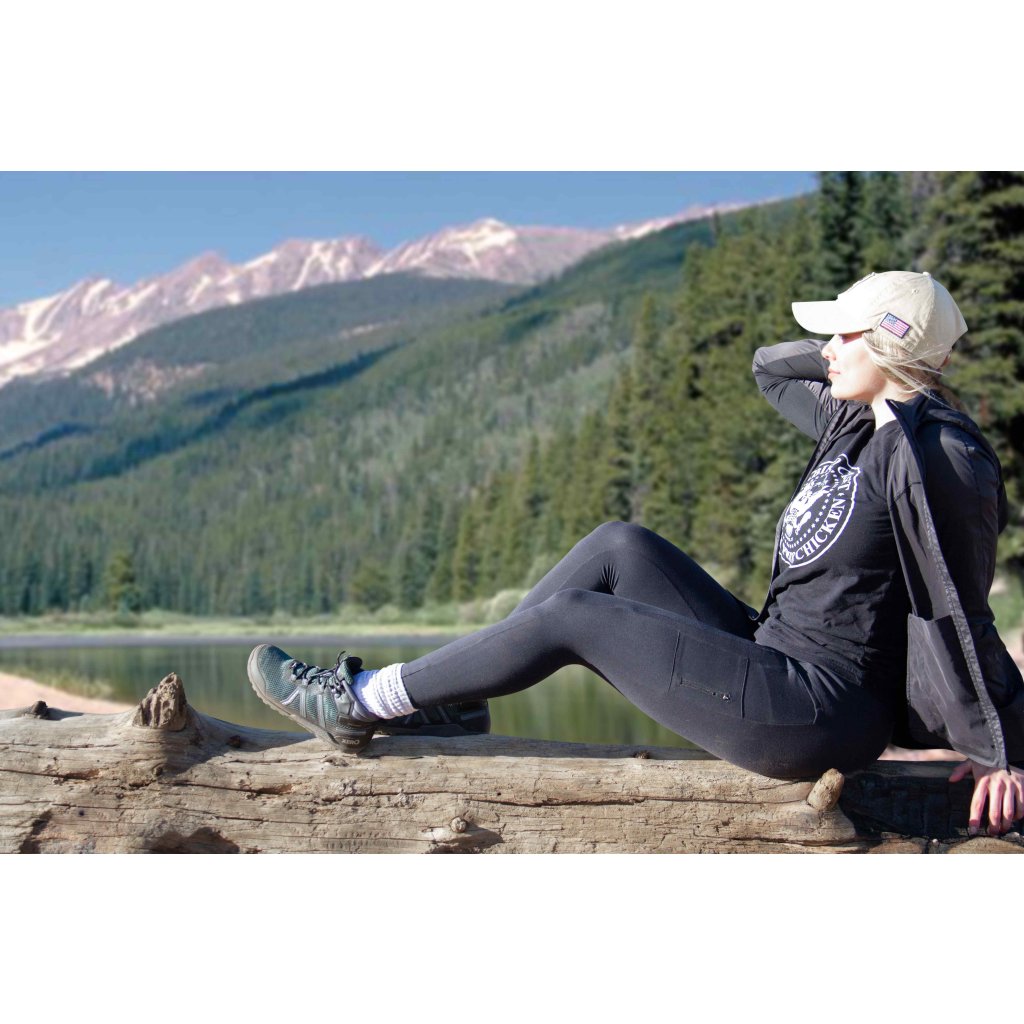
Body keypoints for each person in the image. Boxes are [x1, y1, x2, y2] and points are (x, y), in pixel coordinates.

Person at [247, 270, 1024, 836]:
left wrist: (999, 749)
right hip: (776, 652)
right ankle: (452, 703)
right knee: (619, 546)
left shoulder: (940, 456)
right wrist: (857, 358)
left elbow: (956, 606)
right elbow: (767, 365)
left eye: (845, 334)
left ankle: (362, 702)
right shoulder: (853, 423)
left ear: (891, 341)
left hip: (820, 710)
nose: (827, 348)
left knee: (576, 617)